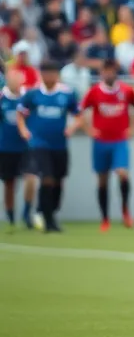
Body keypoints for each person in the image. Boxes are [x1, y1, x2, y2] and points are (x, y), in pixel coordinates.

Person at [16, 63, 80, 233]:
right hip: (39, 144)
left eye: (52, 73)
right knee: (47, 178)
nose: (49, 76)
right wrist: (23, 130)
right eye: (46, 73)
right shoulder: (32, 94)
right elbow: (20, 113)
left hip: (59, 144)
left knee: (58, 180)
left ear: (57, 75)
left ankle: (50, 212)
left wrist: (72, 128)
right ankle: (47, 219)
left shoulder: (67, 94)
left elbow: (78, 114)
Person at [78, 59, 134, 230]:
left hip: (119, 141)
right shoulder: (94, 92)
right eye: (106, 71)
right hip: (100, 142)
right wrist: (88, 129)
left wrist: (133, 129)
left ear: (116, 72)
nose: (109, 74)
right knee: (102, 180)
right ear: (101, 73)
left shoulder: (127, 91)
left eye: (111, 71)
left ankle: (125, 211)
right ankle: (105, 218)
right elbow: (80, 110)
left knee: (122, 173)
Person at [0, 68, 31, 228]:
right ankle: (11, 214)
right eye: (11, 78)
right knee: (9, 183)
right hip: (6, 147)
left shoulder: (28, 97)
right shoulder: (2, 97)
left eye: (17, 78)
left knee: (31, 178)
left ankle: (27, 213)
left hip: (27, 146)